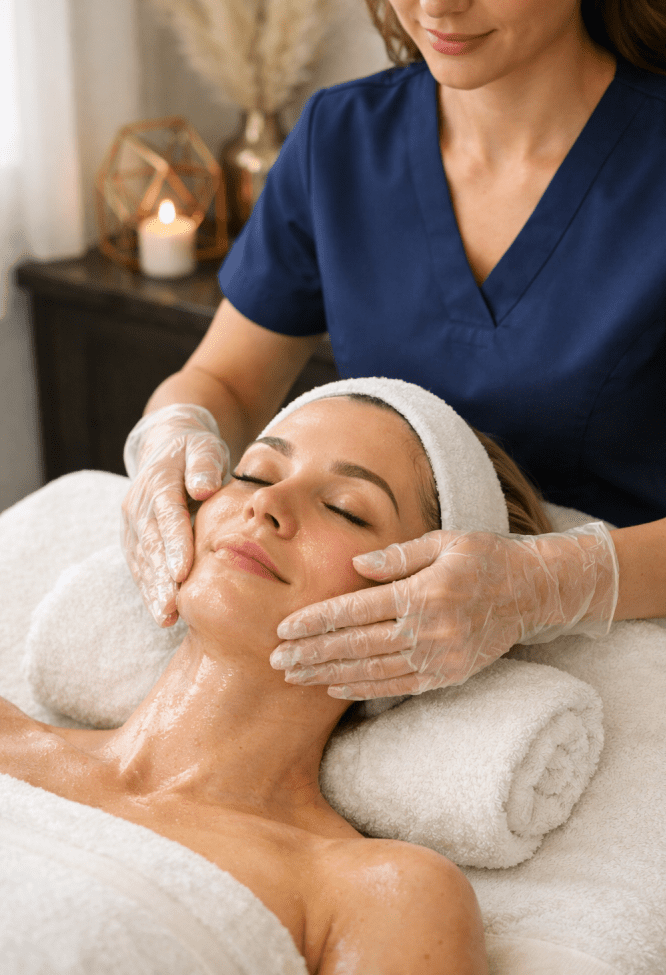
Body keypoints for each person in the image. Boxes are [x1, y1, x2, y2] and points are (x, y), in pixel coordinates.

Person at [121, 0, 666, 700]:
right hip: (373, 657)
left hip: (631, 647)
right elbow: (225, 378)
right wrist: (170, 441)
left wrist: (547, 586)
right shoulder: (341, 139)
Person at [1, 378, 562, 974]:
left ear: (429, 613)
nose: (265, 504)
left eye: (345, 508)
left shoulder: (375, 894)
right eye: (255, 473)